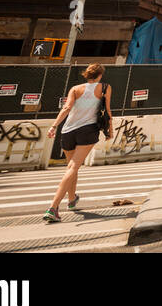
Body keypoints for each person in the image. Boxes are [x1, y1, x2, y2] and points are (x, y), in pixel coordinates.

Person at [43, 64, 112, 223]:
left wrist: (54, 126)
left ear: (86, 75)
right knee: (73, 167)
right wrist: (110, 130)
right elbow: (107, 110)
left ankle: (72, 199)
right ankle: (53, 207)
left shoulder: (75, 88)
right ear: (100, 75)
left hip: (68, 131)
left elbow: (67, 108)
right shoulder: (105, 87)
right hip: (87, 130)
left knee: (71, 167)